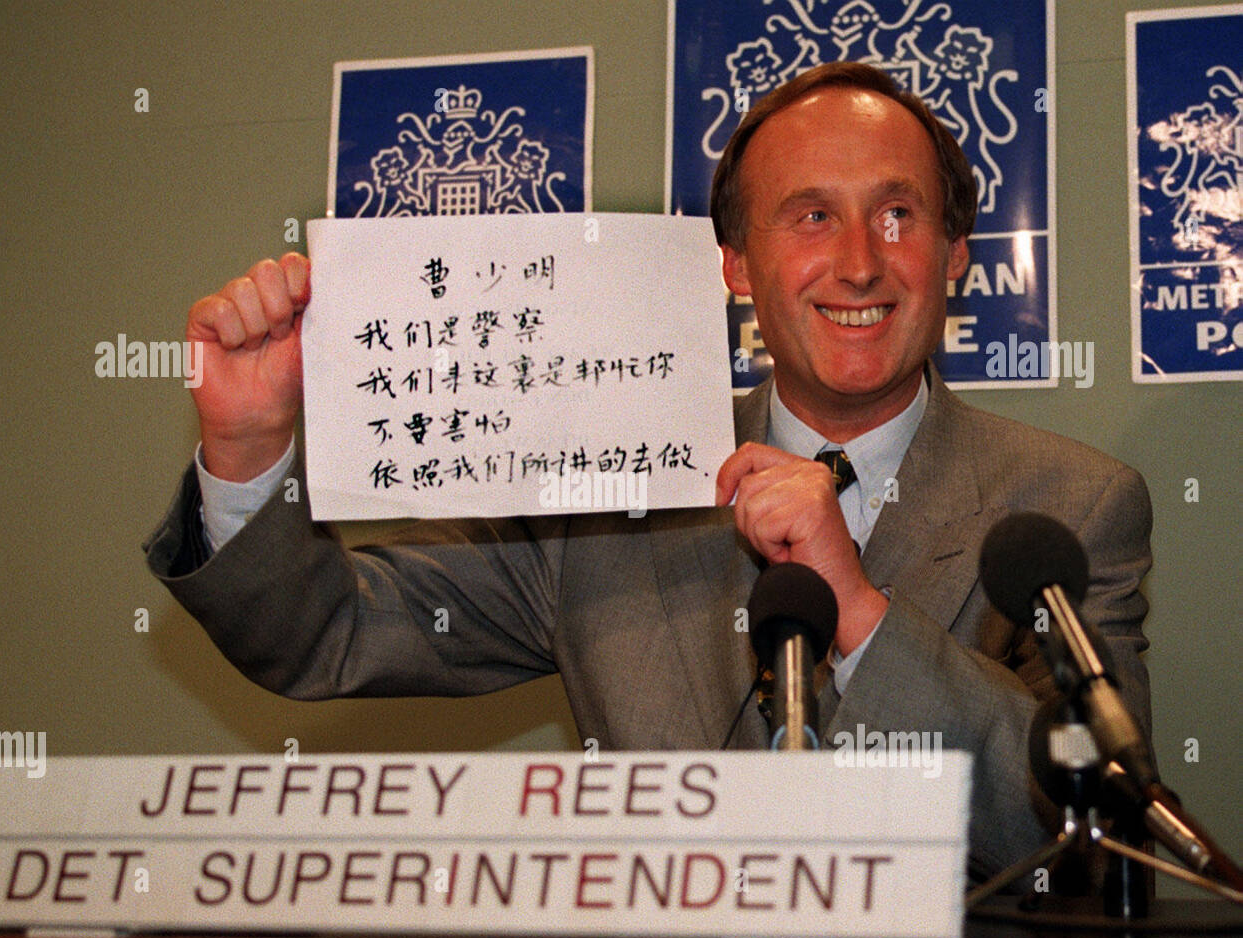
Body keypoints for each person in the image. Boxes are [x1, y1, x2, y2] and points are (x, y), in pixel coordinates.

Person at [145, 62, 1153, 886]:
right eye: (808, 217)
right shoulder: (609, 484)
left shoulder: (1072, 506)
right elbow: (327, 631)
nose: (858, 262)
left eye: (897, 215)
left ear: (954, 257)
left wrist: (859, 612)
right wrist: (247, 451)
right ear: (736, 267)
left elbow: (1106, 844)